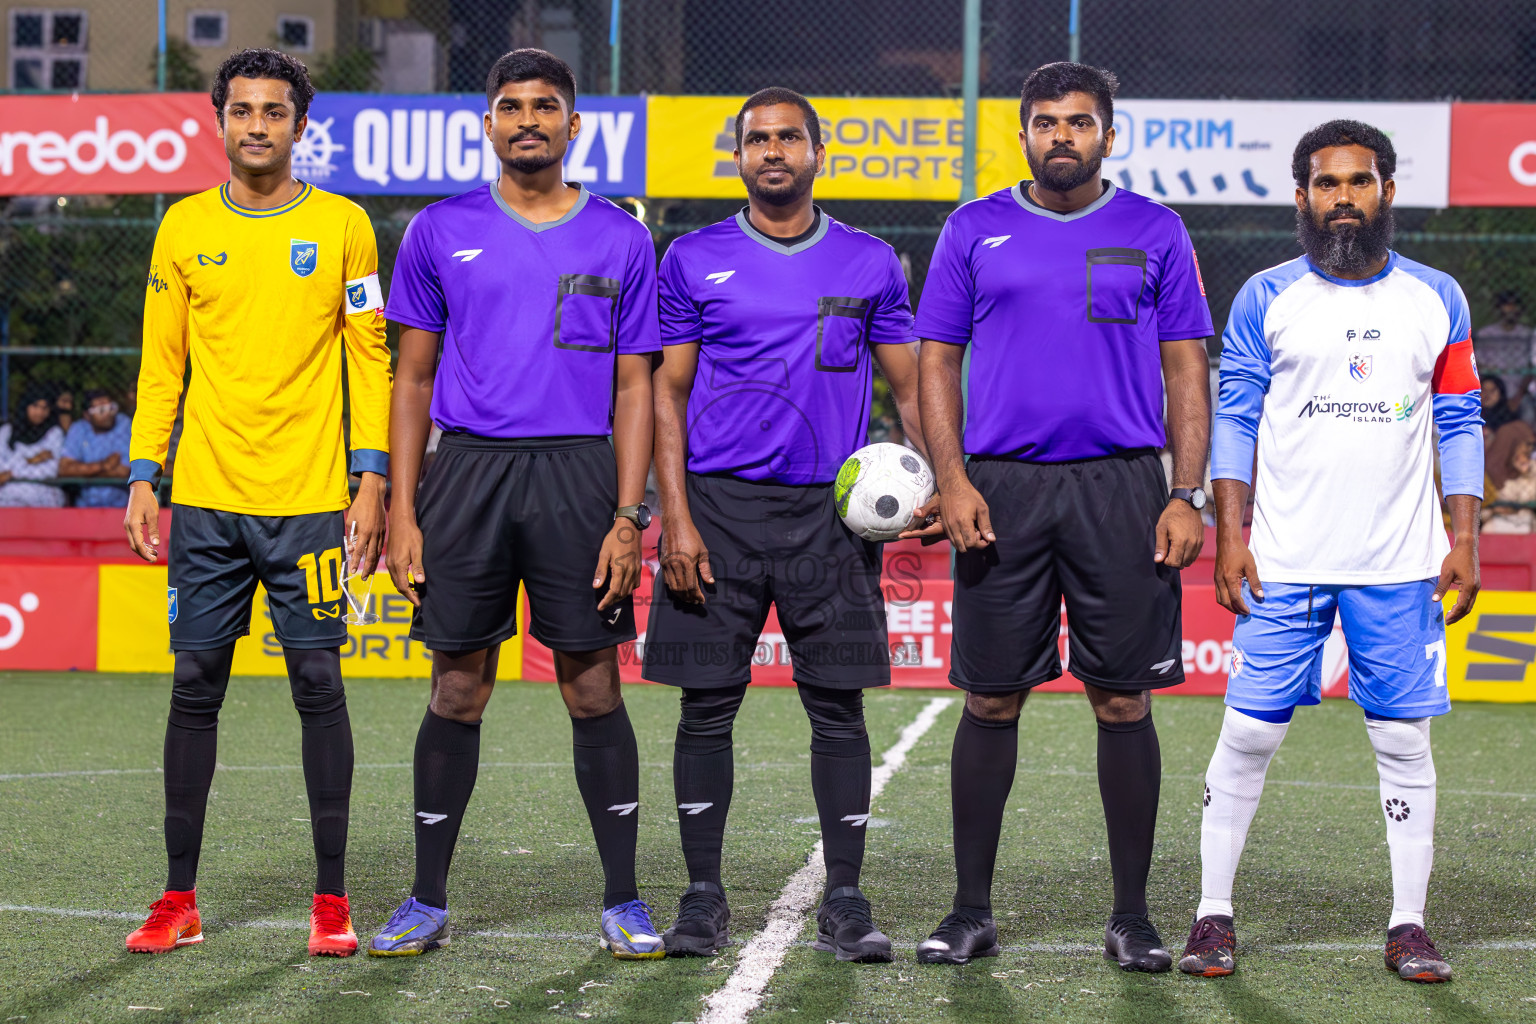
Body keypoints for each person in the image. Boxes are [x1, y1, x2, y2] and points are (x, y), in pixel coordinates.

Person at [913, 62, 1213, 972]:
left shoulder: (1155, 230)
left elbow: (1187, 370)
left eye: (1078, 122)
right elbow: (934, 361)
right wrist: (952, 478)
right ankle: (971, 911)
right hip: (1001, 489)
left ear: (1108, 135)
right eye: (1045, 122)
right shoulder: (974, 228)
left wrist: (1184, 490)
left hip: (1123, 488)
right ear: (1025, 134)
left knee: (1123, 697)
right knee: (991, 696)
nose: (1061, 136)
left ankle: (1131, 917)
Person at [371, 49, 662, 960]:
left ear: (574, 127)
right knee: (458, 686)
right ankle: (424, 899)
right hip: (468, 478)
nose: (527, 119)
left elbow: (634, 390)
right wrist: (405, 509)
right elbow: (410, 379)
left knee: (592, 684)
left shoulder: (621, 236)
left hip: (580, 477)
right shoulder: (436, 230)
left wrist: (628, 514)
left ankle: (622, 898)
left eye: (546, 106)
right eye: (510, 106)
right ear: (487, 126)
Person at [1184, 120, 1482, 984]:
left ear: (1387, 189)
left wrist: (1462, 540)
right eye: (1326, 183)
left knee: (1402, 740)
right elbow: (1235, 417)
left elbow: (1459, 420)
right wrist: (1230, 534)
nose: (1342, 197)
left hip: (1397, 564)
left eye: (1359, 181)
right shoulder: (1266, 296)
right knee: (1246, 735)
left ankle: (1409, 924)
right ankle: (1212, 916)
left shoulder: (1438, 297)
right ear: (1303, 197)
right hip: (1284, 557)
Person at [644, 87, 926, 963]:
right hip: (715, 510)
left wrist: (940, 483)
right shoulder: (692, 257)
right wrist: (674, 521)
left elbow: (913, 386)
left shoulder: (872, 261)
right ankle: (700, 898)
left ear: (816, 151)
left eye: (789, 138)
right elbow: (666, 393)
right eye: (757, 139)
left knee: (838, 710)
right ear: (738, 155)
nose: (773, 151)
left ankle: (844, 898)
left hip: (829, 520)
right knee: (705, 711)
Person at [121, 48, 392, 958]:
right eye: (242, 111)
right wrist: (141, 473)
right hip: (204, 499)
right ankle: (178, 897)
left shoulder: (345, 225)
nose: (258, 126)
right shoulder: (182, 227)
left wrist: (372, 477)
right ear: (220, 119)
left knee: (318, 683)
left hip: (311, 499)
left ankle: (330, 901)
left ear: (300, 125)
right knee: (194, 684)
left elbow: (369, 355)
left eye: (275, 112)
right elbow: (163, 364)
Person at [59, 389, 132, 507]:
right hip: (83, 508)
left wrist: (83, 470)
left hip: (121, 508)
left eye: (111, 408)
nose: (108, 414)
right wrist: (103, 465)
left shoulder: (124, 424)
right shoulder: (79, 428)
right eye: (101, 410)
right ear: (87, 415)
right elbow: (64, 469)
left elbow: (122, 471)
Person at [0, 384, 66, 507]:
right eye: (35, 406)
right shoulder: (6, 432)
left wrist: (12, 473)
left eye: (45, 408)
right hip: (6, 495)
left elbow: (50, 470)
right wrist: (31, 461)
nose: (40, 412)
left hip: (40, 493)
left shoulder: (54, 433)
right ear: (25, 406)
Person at [1473, 290, 1533, 412]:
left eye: (1514, 305)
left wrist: (1519, 395)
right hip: (1490, 391)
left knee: (1528, 412)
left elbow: (1531, 368)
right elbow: (1476, 363)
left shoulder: (1527, 335)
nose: (1511, 309)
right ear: (1499, 308)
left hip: (1519, 391)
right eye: (1507, 305)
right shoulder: (1486, 334)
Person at [1481, 421, 1535, 534]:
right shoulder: (1488, 474)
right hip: (1498, 523)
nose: (1529, 450)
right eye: (1527, 444)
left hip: (1528, 522)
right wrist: (1494, 509)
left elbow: (1528, 497)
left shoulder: (1532, 469)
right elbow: (1482, 511)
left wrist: (1526, 474)